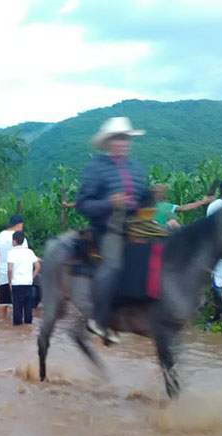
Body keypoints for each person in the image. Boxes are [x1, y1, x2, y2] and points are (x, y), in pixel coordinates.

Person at [76, 117, 150, 342]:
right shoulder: (96, 168)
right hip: (108, 229)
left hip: (136, 226)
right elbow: (83, 205)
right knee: (114, 265)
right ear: (108, 143)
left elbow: (141, 201)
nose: (123, 142)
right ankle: (98, 319)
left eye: (125, 138)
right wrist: (109, 203)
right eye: (118, 138)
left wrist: (151, 197)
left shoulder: (137, 169)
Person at [0, 214, 27, 319]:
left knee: (3, 302)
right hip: (17, 274)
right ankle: (19, 326)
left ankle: (2, 323)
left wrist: (1, 263)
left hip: (3, 274)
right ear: (19, 224)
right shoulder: (20, 237)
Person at [6, 230, 40, 326]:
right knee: (28, 307)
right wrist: (31, 277)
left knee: (17, 308)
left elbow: (9, 270)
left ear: (14, 241)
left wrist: (10, 282)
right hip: (28, 283)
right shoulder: (30, 252)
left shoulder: (11, 253)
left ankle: (18, 328)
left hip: (16, 283)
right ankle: (28, 327)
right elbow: (38, 267)